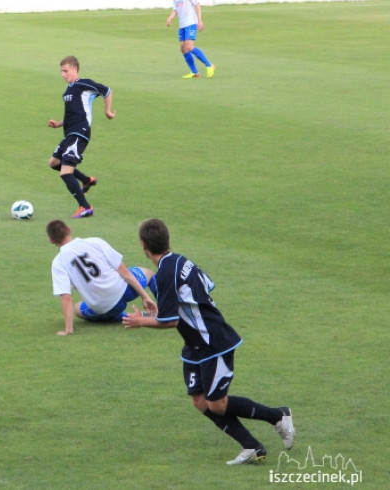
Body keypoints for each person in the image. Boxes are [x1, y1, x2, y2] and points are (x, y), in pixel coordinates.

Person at [123, 219, 295, 465]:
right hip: (195, 345)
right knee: (200, 401)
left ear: (143, 244)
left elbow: (170, 322)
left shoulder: (164, 274)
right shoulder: (181, 261)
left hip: (213, 342)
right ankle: (251, 446)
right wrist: (157, 310)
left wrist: (141, 322)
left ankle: (278, 416)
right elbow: (199, 291)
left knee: (216, 404)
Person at [46, 220, 157, 336]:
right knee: (148, 273)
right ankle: (162, 311)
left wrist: (68, 329)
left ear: (51, 240)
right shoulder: (94, 242)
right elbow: (124, 272)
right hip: (125, 291)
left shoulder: (58, 263)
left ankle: (125, 317)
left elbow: (66, 297)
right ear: (69, 230)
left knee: (78, 309)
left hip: (105, 308)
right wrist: (145, 296)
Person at [46, 55, 113, 219]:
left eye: (65, 71)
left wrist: (107, 111)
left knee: (65, 173)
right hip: (69, 133)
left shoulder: (84, 84)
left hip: (79, 132)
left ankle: (85, 207)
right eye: (61, 71)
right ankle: (86, 180)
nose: (63, 74)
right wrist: (58, 124)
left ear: (75, 69)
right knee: (54, 163)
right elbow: (72, 114)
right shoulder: (68, 91)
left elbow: (107, 91)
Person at [166, 0, 215, 79]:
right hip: (182, 25)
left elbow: (197, 4)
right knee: (183, 49)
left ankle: (209, 65)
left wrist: (199, 20)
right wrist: (170, 18)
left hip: (191, 23)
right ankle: (195, 72)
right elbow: (175, 9)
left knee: (189, 47)